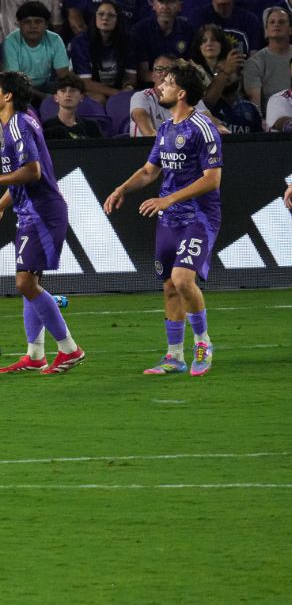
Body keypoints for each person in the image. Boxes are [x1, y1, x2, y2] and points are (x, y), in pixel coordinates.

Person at [103, 59, 221, 377]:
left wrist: (168, 198)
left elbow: (212, 179)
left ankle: (203, 343)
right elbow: (150, 170)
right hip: (169, 220)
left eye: (166, 83)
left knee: (184, 279)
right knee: (170, 286)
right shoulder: (166, 128)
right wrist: (122, 189)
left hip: (199, 217)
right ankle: (174, 357)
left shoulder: (203, 128)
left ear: (181, 93)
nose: (160, 87)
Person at [0, 72, 84, 374]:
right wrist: (0, 207)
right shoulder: (18, 122)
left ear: (8, 96)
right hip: (31, 211)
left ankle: (69, 349)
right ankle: (35, 354)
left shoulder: (18, 125)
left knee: (25, 283)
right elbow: (24, 178)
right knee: (30, 282)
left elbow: (33, 171)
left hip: (42, 213)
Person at [244, 7, 292, 112]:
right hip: (271, 123)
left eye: (282, 22)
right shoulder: (255, 63)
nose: (276, 24)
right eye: (272, 22)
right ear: (266, 29)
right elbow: (256, 108)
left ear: (290, 29)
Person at [41, 73, 104, 140]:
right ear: (56, 97)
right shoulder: (47, 127)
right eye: (63, 91)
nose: (68, 94)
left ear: (81, 97)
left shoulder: (91, 127)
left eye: (73, 90)